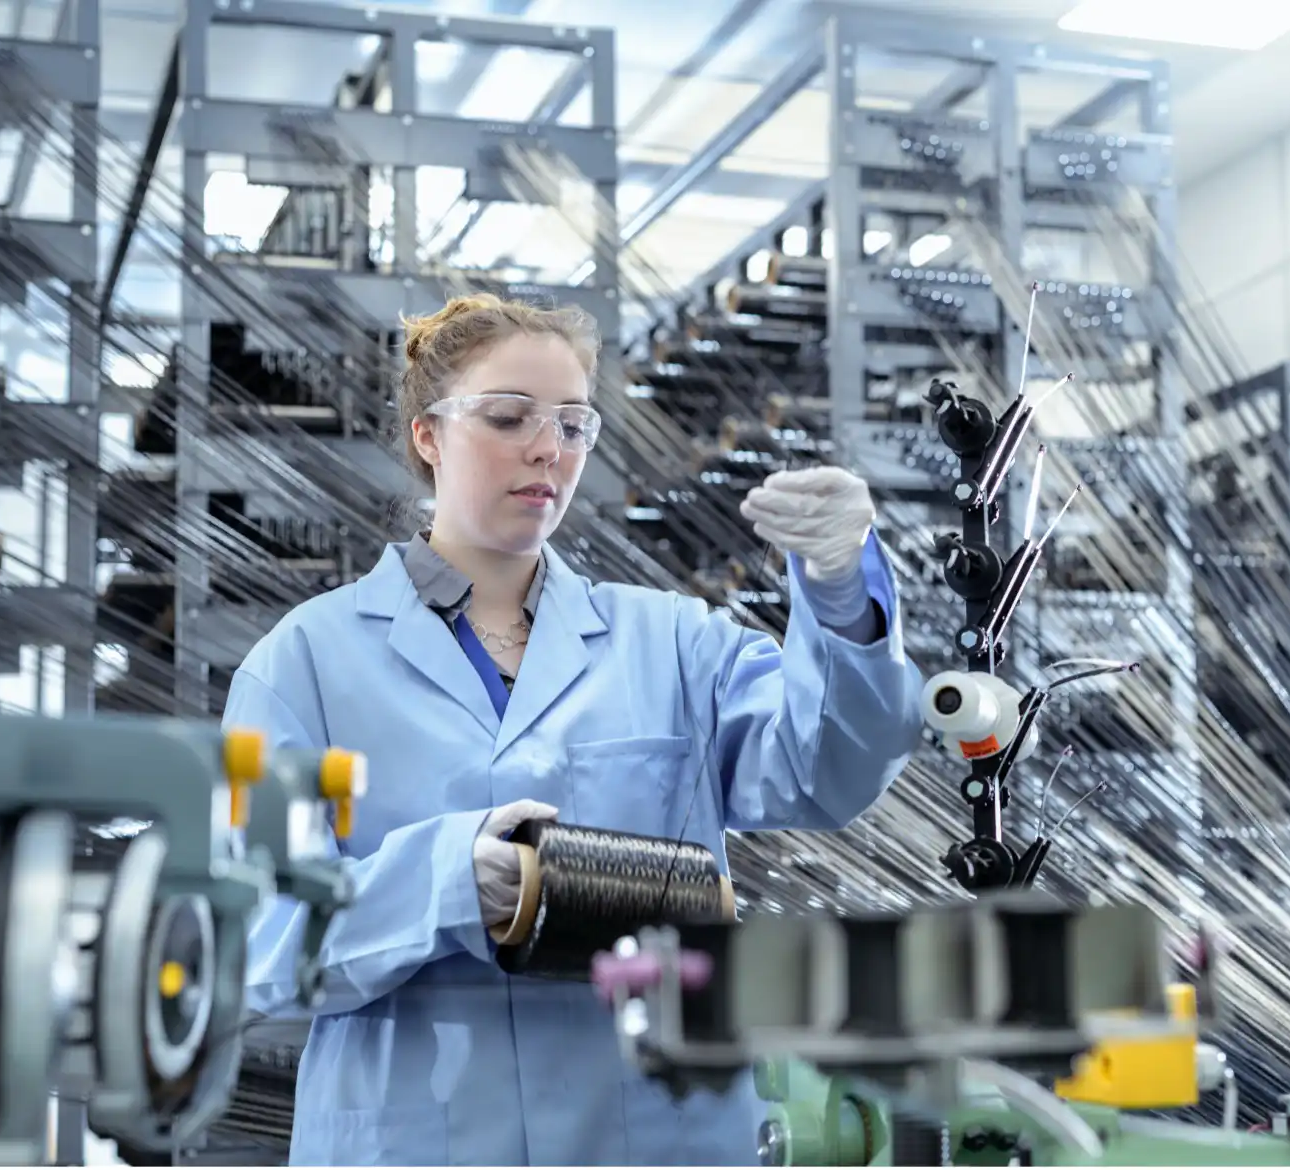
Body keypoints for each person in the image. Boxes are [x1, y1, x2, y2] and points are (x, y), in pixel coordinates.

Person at [224, 292, 925, 1166]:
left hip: (653, 1138)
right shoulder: (302, 668)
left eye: (574, 424)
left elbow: (831, 771)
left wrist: (841, 595)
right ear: (427, 435)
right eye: (510, 416)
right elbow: (253, 943)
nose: (548, 448)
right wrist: (448, 882)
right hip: (418, 1141)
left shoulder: (670, 642)